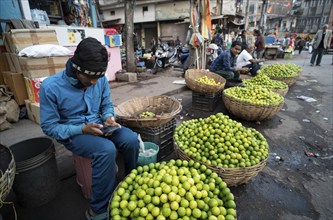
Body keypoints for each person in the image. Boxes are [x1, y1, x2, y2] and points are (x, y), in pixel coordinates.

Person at [39, 37, 140, 220]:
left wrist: (109, 117)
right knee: (106, 150)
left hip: (100, 125)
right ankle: (97, 209)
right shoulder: (50, 87)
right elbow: (49, 127)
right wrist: (81, 129)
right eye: (90, 78)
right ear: (76, 68)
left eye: (98, 77)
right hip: (74, 133)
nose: (94, 83)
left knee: (131, 139)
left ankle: (131, 181)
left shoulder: (99, 79)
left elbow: (106, 103)